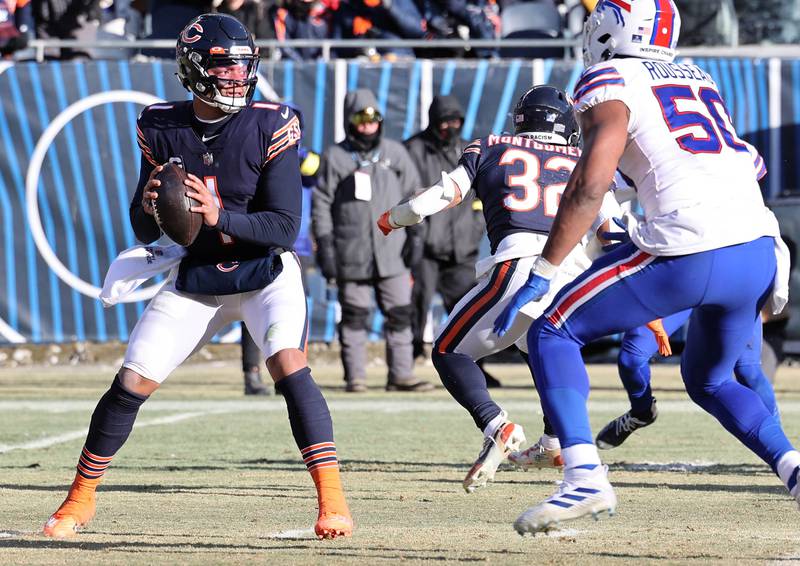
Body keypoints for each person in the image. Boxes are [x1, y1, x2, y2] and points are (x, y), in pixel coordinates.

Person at [494, 0, 799, 534]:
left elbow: (591, 184)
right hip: (757, 246)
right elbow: (739, 159)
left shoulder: (609, 78)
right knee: (708, 379)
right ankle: (794, 469)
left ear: (610, 32)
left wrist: (545, 268)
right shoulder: (696, 76)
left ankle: (584, 478)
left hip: (690, 245)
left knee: (553, 329)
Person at [43, 13, 352, 540]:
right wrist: (148, 207)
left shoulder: (272, 124)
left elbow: (282, 226)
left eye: (242, 65)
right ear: (192, 69)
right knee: (132, 379)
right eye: (223, 65)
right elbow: (145, 228)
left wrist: (218, 216)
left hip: (264, 272)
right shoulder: (161, 125)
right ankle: (79, 499)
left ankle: (333, 501)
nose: (235, 75)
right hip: (198, 276)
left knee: (289, 364)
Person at [378, 85, 620, 492]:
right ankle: (556, 442)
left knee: (448, 351)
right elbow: (612, 232)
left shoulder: (490, 145)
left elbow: (442, 195)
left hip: (520, 264)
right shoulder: (586, 158)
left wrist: (395, 217)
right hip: (571, 277)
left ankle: (496, 425)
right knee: (542, 351)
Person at [313, 89, 432, 393]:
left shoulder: (395, 153)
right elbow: (322, 203)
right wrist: (325, 244)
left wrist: (417, 235)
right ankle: (356, 377)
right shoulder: (336, 156)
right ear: (349, 121)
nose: (367, 125)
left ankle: (401, 375)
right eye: (360, 118)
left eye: (373, 118)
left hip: (393, 252)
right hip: (352, 253)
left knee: (400, 314)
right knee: (354, 317)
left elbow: (415, 195)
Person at [401, 96, 488, 372]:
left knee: (468, 308)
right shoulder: (414, 149)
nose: (450, 126)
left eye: (456, 121)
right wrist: (419, 234)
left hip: (462, 246)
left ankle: (475, 367)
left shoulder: (469, 150)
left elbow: (482, 193)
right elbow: (408, 192)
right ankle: (411, 358)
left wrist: (475, 227)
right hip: (426, 247)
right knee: (416, 303)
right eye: (445, 121)